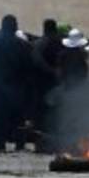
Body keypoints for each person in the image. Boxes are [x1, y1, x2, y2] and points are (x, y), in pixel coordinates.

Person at [0, 15, 34, 152]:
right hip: (17, 87)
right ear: (15, 27)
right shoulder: (23, 45)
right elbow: (29, 67)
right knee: (18, 118)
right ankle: (19, 145)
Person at [31, 19, 66, 152]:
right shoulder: (61, 42)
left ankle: (43, 144)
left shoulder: (41, 43)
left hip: (43, 85)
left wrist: (49, 71)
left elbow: (36, 59)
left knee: (43, 116)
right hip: (57, 84)